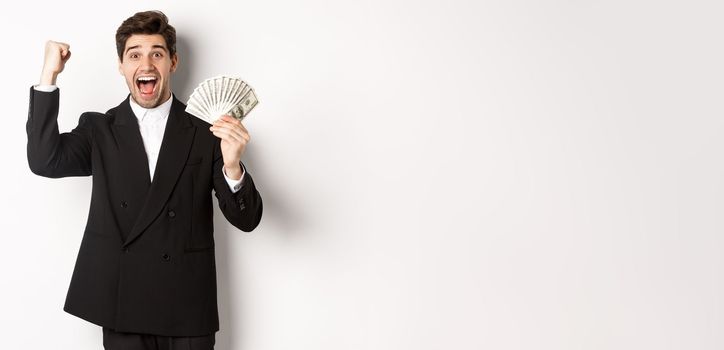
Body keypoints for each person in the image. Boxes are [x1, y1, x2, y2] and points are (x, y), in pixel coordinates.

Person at [26, 10, 263, 350]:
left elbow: (247, 219)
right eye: (134, 54)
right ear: (122, 66)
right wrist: (49, 75)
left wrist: (233, 165)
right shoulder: (99, 130)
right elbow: (44, 160)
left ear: (173, 62)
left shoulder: (206, 131)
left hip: (188, 306)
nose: (146, 64)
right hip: (125, 302)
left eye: (157, 53)